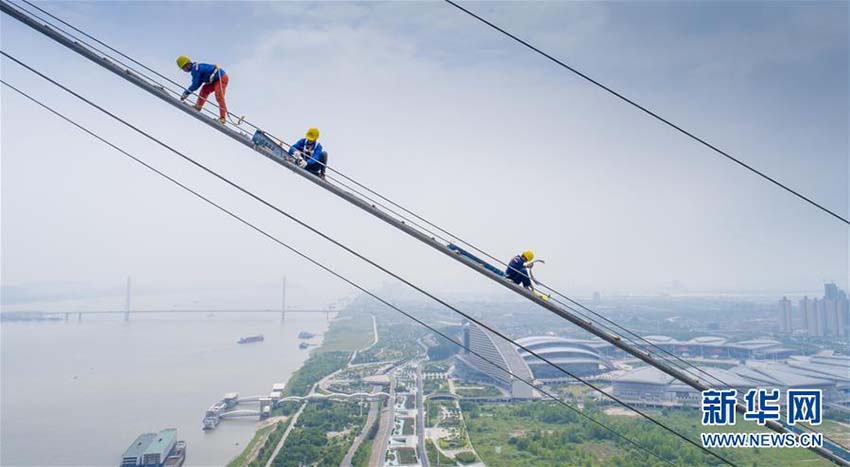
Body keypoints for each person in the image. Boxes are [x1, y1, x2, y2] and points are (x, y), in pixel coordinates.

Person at [176, 55, 229, 124]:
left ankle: (222, 118)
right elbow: (198, 83)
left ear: (187, 65)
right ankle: (198, 106)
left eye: (183, 68)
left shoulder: (195, 69)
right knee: (205, 89)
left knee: (219, 96)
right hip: (214, 80)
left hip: (220, 78)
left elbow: (196, 84)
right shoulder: (196, 67)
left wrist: (186, 93)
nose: (184, 70)